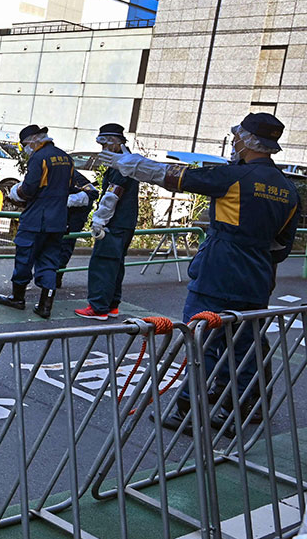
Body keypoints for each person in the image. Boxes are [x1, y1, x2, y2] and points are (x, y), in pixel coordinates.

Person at [97, 113, 299, 427]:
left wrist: (131, 164)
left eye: (237, 136)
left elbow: (177, 177)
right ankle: (242, 411)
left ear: (246, 141)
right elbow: (282, 247)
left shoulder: (235, 177)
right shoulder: (288, 189)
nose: (234, 142)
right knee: (247, 345)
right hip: (258, 278)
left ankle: (187, 411)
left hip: (218, 272)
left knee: (199, 341)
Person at [0, 125, 74, 318]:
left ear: (33, 140)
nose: (25, 149)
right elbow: (71, 186)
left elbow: (29, 189)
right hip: (58, 220)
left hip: (36, 218)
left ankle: (18, 298)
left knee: (25, 257)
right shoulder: (66, 157)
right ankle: (45, 305)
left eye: (24, 145)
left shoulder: (39, 158)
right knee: (49, 261)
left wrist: (15, 192)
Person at [75, 124, 140, 320]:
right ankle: (112, 304)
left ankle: (98, 307)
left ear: (116, 142)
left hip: (115, 222)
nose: (102, 148)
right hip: (126, 222)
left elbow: (113, 195)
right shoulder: (128, 161)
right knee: (116, 264)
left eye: (105, 143)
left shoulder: (121, 164)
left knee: (103, 263)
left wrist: (99, 220)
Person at [58, 170, 99, 289]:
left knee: (67, 242)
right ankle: (53, 274)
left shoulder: (71, 175)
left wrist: (67, 201)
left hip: (76, 214)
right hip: (66, 211)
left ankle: (57, 275)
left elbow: (93, 193)